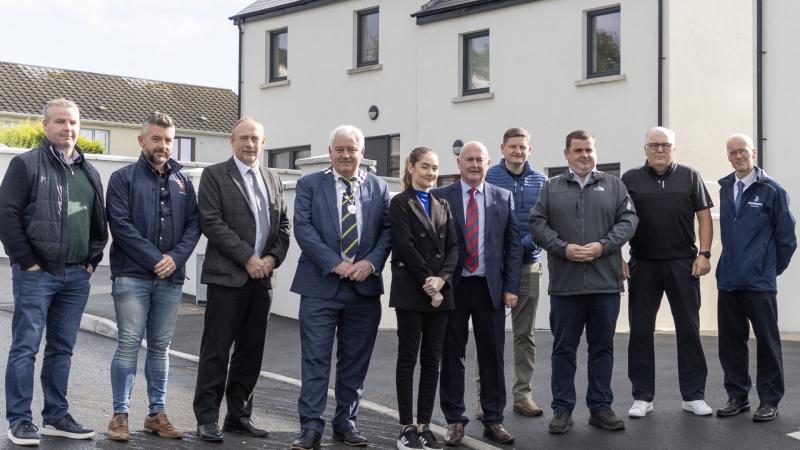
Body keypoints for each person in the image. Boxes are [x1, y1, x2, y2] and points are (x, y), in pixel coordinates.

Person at [0, 98, 108, 446]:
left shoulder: (88, 171)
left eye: (74, 122)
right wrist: (28, 261)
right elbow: (7, 216)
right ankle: (19, 420)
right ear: (45, 126)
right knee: (25, 347)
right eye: (60, 122)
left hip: (76, 276)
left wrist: (92, 259)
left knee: (62, 349)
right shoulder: (25, 165)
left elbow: (98, 222)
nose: (68, 128)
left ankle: (56, 417)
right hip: (37, 274)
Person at [290, 125, 391, 450]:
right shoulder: (309, 184)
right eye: (340, 149)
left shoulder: (378, 187)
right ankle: (311, 427)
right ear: (330, 152)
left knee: (355, 361)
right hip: (320, 286)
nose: (346, 155)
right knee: (316, 360)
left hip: (363, 289)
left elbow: (388, 232)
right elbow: (303, 228)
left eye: (352, 149)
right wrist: (335, 262)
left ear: (362, 154)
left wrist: (371, 263)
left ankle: (346, 422)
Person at [530, 130, 637, 435]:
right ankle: (562, 409)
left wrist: (604, 245)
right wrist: (562, 247)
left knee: (602, 349)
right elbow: (536, 224)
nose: (584, 155)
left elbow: (629, 221)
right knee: (564, 349)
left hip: (606, 284)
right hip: (566, 286)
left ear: (595, 152)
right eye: (577, 150)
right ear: (566, 154)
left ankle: (600, 408)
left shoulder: (614, 186)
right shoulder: (551, 188)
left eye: (589, 150)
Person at [192, 117, 291, 442]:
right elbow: (211, 222)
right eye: (244, 138)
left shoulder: (273, 179)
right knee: (216, 351)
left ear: (264, 143)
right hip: (228, 279)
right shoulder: (215, 175)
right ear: (232, 141)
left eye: (256, 139)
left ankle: (238, 415)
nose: (250, 144)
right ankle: (206, 418)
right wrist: (247, 258)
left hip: (261, 281)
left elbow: (284, 226)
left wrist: (271, 259)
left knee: (251, 352)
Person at [104, 112, 201, 442]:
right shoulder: (122, 178)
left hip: (170, 278)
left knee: (161, 348)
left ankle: (156, 415)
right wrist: (155, 259)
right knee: (129, 344)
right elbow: (120, 225)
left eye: (169, 140)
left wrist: (173, 259)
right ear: (142, 140)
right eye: (157, 138)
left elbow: (194, 225)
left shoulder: (183, 182)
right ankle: (120, 415)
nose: (163, 145)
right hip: (132, 276)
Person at [433, 141, 522, 446]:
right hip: (453, 289)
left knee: (492, 355)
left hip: (490, 289)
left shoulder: (503, 197)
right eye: (468, 159)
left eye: (479, 160)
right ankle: (455, 420)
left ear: (488, 164)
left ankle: (493, 419)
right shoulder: (440, 196)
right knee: (452, 355)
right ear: (458, 163)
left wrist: (511, 288)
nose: (473, 164)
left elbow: (513, 249)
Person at [621, 126, 714, 418]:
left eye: (665, 145)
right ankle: (642, 397)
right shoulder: (630, 179)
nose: (660, 149)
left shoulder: (690, 176)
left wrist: (704, 254)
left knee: (689, 330)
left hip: (682, 264)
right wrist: (617, 257)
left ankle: (693, 395)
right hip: (643, 263)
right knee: (639, 331)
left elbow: (704, 217)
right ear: (645, 149)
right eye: (654, 145)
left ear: (674, 148)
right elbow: (618, 219)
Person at [715, 133, 796, 422]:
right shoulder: (726, 187)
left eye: (743, 151)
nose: (738, 156)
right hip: (728, 280)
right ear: (728, 156)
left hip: (759, 282)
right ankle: (737, 396)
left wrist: (770, 268)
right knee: (731, 342)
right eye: (732, 152)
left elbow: (787, 238)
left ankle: (770, 400)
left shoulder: (772, 190)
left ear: (754, 154)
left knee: (767, 342)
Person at [390, 147, 458, 450]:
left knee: (432, 361)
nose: (431, 173)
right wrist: (429, 283)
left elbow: (455, 247)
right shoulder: (400, 202)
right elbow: (404, 245)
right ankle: (406, 427)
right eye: (425, 167)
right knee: (408, 359)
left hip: (441, 293)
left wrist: (441, 281)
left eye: (435, 168)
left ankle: (425, 425)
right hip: (412, 290)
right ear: (411, 167)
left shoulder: (443, 203)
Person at [477, 127, 547, 418]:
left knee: (524, 336)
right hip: (492, 268)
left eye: (523, 147)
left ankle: (522, 395)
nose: (518, 151)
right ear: (502, 148)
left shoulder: (542, 182)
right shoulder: (488, 176)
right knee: (488, 335)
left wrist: (520, 246)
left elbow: (545, 223)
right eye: (513, 146)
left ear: (530, 151)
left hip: (527, 265)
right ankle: (485, 398)